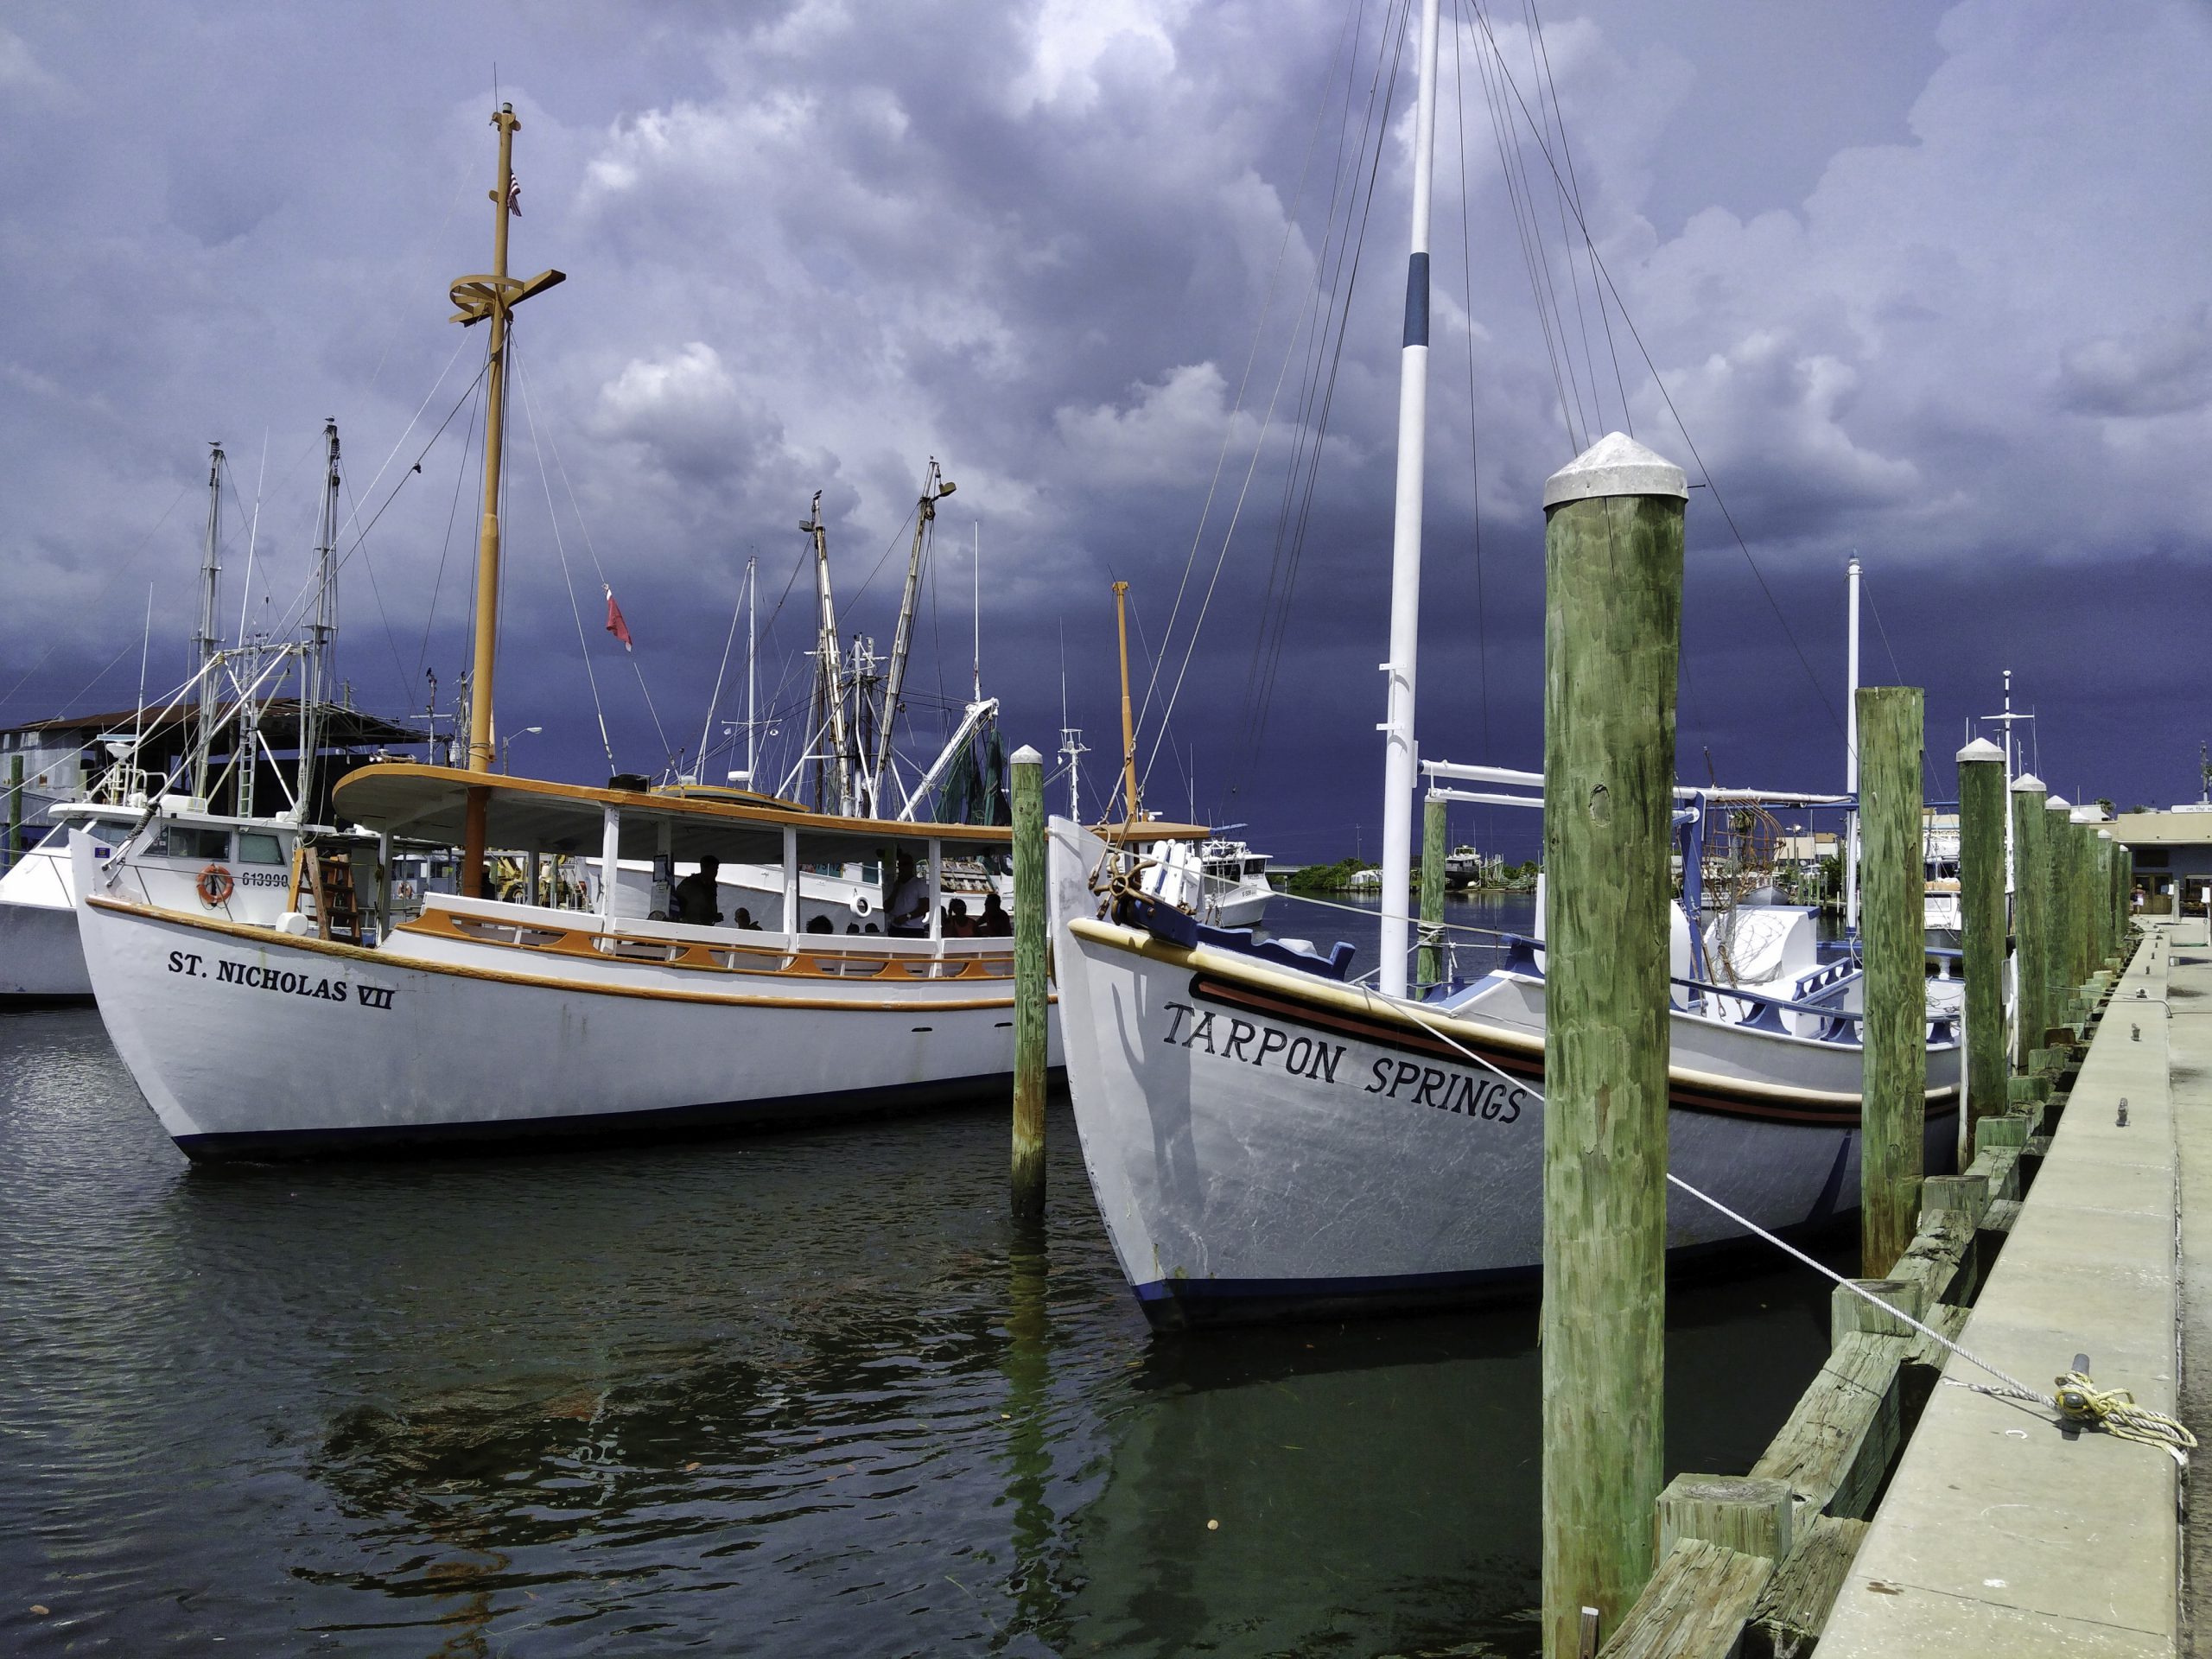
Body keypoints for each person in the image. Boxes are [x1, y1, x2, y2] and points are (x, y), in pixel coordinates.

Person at [671, 856, 723, 925]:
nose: (715, 873)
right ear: (704, 868)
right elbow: (681, 907)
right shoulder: (689, 884)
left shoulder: (712, 885)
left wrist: (714, 916)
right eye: (712, 869)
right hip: (690, 926)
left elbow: (710, 906)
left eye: (716, 869)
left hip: (706, 926)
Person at [887, 851, 928, 937]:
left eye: (905, 864)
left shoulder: (919, 884)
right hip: (895, 928)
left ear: (911, 866)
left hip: (913, 930)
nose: (902, 867)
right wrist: (895, 890)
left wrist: (907, 916)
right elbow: (886, 908)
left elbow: (925, 907)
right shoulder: (896, 885)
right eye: (900, 864)